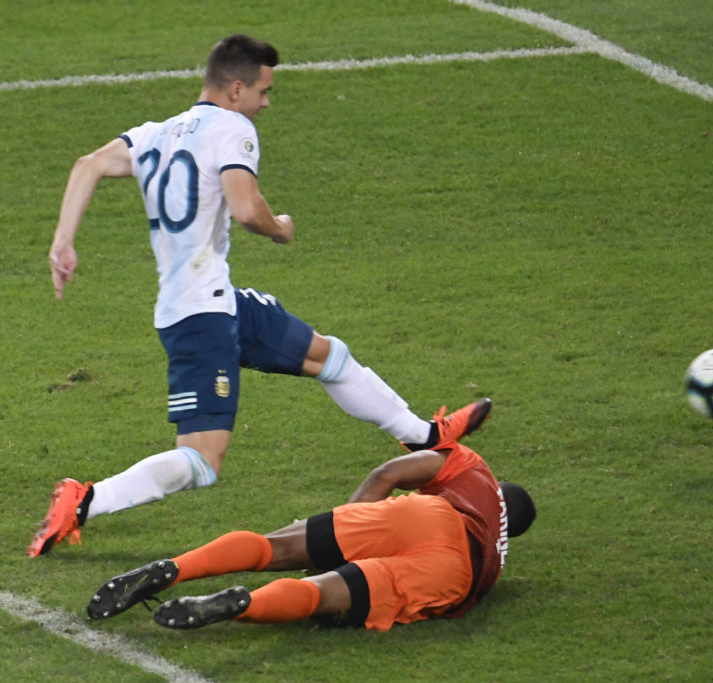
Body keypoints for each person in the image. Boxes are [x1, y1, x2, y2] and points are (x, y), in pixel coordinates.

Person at [28, 34, 492, 559]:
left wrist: (62, 242)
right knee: (202, 462)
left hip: (220, 302)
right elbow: (246, 209)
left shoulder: (156, 133)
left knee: (329, 356)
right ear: (236, 88)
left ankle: (424, 437)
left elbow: (86, 164)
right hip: (199, 319)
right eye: (264, 91)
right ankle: (83, 501)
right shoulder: (232, 128)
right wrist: (280, 228)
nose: (267, 102)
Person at [86, 440, 535, 631]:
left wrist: (336, 535)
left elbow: (388, 474)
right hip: (457, 571)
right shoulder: (496, 564)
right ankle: (242, 604)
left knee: (275, 547)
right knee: (318, 595)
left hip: (431, 516)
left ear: (499, 490)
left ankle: (176, 568)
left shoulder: (475, 470)